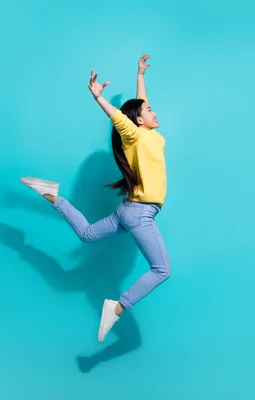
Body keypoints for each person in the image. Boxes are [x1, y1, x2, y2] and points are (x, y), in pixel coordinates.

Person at [19, 54, 170, 343]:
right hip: (140, 212)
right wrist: (98, 97)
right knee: (161, 269)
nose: (154, 112)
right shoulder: (134, 136)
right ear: (138, 119)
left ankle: (51, 194)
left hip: (129, 210)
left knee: (87, 235)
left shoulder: (146, 133)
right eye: (149, 110)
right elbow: (120, 117)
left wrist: (140, 75)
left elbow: (139, 104)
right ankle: (117, 306)